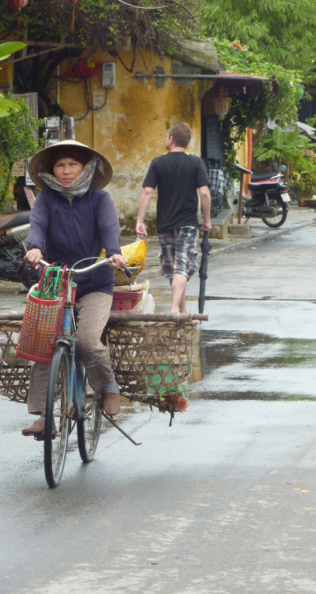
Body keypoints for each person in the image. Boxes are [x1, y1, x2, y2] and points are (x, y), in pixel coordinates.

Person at [21, 140, 128, 437]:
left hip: (94, 282)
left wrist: (114, 253)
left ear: (85, 168)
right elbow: (37, 227)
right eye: (60, 165)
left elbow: (109, 230)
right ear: (51, 170)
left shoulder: (99, 199)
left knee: (88, 341)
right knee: (45, 344)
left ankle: (108, 385)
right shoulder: (46, 199)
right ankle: (43, 416)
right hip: (55, 281)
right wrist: (34, 248)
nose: (66, 171)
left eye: (73, 164)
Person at [136, 122, 212, 314]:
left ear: (171, 139)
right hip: (187, 224)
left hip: (165, 224)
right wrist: (207, 220)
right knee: (181, 267)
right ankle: (174, 311)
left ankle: (180, 310)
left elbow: (147, 192)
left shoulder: (158, 162)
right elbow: (204, 193)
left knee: (174, 268)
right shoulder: (196, 163)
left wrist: (140, 221)